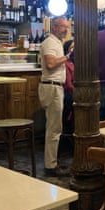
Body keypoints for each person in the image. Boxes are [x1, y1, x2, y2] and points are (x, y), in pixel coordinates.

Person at [38, 17, 72, 177]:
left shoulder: (56, 42)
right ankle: (50, 166)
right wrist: (68, 57)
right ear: (55, 27)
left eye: (67, 27)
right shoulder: (51, 42)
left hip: (53, 87)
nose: (65, 30)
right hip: (52, 87)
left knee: (54, 127)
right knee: (54, 128)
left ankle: (52, 162)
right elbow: (51, 64)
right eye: (63, 27)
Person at [62, 39, 75, 135]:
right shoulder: (66, 64)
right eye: (72, 48)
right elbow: (69, 85)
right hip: (69, 93)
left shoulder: (77, 63)